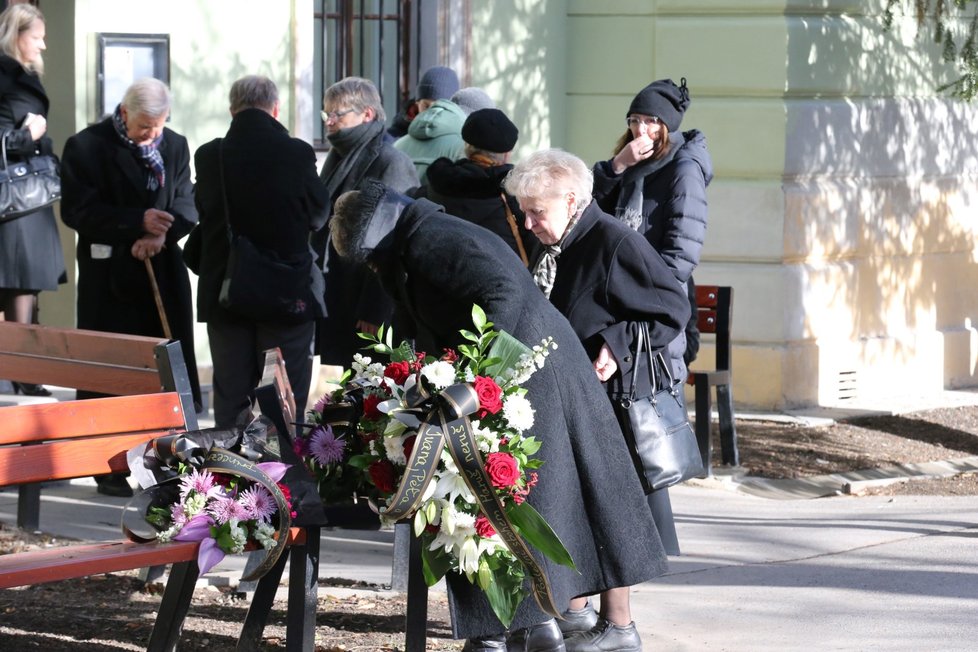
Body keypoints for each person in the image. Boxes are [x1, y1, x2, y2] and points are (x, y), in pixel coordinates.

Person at [330, 178, 669, 651]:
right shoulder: (412, 244)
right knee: (503, 504)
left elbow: (504, 294)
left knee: (503, 501)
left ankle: (520, 629)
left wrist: (476, 382)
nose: (370, 265)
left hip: (526, 372)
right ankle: (520, 627)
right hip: (513, 372)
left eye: (368, 255)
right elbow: (418, 323)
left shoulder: (433, 239)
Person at [504, 149, 689, 651]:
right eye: (524, 211)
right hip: (573, 397)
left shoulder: (613, 240)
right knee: (575, 504)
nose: (528, 222)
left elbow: (672, 306)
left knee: (610, 512)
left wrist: (616, 343)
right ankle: (578, 614)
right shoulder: (562, 241)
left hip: (610, 400)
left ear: (571, 200)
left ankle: (620, 627)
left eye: (536, 212)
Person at [61, 77, 200, 497]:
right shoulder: (87, 146)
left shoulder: (174, 145)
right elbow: (78, 210)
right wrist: (136, 222)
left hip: (163, 273)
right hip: (111, 280)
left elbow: (187, 203)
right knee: (110, 370)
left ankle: (171, 459)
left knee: (166, 371)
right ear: (124, 114)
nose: (152, 134)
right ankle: (107, 465)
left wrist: (160, 235)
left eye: (158, 125)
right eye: (145, 127)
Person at [591, 77, 713, 554]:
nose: (641, 129)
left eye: (650, 122)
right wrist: (616, 167)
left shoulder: (683, 170)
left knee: (643, 421)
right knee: (622, 425)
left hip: (653, 312)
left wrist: (639, 300)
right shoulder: (630, 167)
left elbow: (680, 254)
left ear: (668, 126)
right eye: (634, 121)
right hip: (615, 305)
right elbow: (587, 214)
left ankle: (652, 544)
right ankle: (634, 543)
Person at [190, 75, 329, 428]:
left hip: (227, 290)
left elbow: (204, 215)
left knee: (232, 399)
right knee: (282, 398)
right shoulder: (297, 152)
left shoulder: (210, 155)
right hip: (285, 296)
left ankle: (230, 477)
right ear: (276, 108)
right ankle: (282, 480)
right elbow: (318, 214)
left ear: (232, 109)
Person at [313, 76, 418, 368]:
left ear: (367, 114)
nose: (329, 122)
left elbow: (392, 242)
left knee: (376, 388)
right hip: (343, 293)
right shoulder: (339, 157)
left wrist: (375, 307)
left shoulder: (390, 161)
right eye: (326, 114)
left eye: (337, 114)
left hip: (370, 304)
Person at [0, 4, 65, 397]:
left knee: (25, 286)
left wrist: (41, 141)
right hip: (14, 202)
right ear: (15, 35)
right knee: (18, 284)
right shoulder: (4, 78)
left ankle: (23, 372)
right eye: (36, 36)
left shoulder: (22, 76)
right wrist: (30, 137)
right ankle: (21, 374)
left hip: (27, 197)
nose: (42, 45)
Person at [414, 107, 537, 264]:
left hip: (436, 279)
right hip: (501, 282)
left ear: (467, 147)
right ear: (506, 155)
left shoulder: (435, 184)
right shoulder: (515, 194)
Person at [394, 65, 466, 182]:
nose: (433, 112)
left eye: (441, 106)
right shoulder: (463, 147)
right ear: (417, 104)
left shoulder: (398, 145)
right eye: (426, 106)